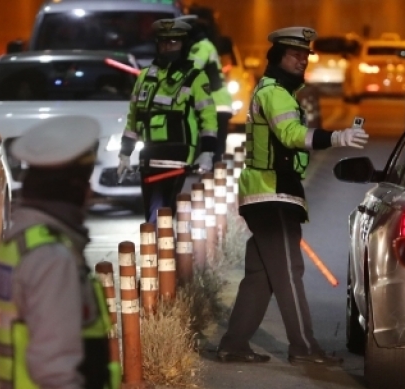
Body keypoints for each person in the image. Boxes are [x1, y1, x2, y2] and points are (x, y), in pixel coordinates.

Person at [216, 27, 369, 365]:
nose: (301, 59)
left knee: (261, 275)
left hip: (268, 193)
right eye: (294, 54)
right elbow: (290, 135)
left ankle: (233, 344)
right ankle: (304, 347)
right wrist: (338, 137)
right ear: (276, 57)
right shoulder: (275, 92)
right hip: (272, 193)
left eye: (305, 55)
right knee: (289, 271)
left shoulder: (279, 91)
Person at [0, 116, 119, 389]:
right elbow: (55, 369)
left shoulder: (15, 245)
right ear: (70, 188)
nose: (90, 192)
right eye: (84, 183)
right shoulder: (51, 258)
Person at [117, 18, 218, 224]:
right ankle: (157, 249)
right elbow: (134, 117)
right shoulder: (144, 76)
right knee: (152, 213)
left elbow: (208, 118)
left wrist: (207, 152)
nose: (167, 47)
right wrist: (125, 153)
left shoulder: (195, 77)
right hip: (149, 155)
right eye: (163, 42)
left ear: (184, 45)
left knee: (162, 212)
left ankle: (160, 249)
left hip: (178, 155)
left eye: (173, 43)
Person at [177, 14, 233, 162]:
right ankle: (212, 176)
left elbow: (192, 70)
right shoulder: (206, 45)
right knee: (214, 148)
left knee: (211, 148)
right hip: (218, 103)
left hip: (214, 104)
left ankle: (211, 177)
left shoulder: (201, 47)